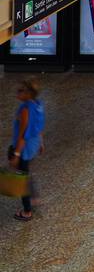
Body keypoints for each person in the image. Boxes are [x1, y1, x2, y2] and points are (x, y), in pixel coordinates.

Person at [8, 77, 44, 221]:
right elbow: (39, 126)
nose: (17, 93)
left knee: (22, 178)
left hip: (25, 147)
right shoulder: (38, 104)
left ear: (29, 93)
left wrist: (16, 153)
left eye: (20, 91)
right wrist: (41, 143)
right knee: (26, 172)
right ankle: (34, 197)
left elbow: (23, 134)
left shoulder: (25, 110)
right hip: (34, 145)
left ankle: (27, 211)